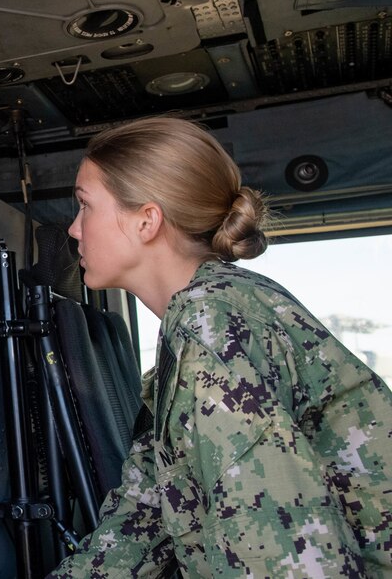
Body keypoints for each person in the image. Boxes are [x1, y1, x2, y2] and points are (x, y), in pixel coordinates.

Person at [50, 116, 392, 577]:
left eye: (86, 206)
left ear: (147, 221)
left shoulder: (213, 325)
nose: (74, 229)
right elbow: (142, 519)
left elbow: (282, 554)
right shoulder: (199, 321)